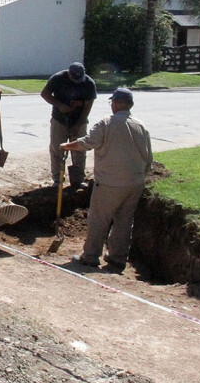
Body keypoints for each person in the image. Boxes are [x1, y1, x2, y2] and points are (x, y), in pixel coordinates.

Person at [61, 87, 153, 273]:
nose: (111, 105)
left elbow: (88, 142)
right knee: (124, 221)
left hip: (110, 182)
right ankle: (118, 258)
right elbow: (149, 157)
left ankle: (90, 256)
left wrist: (66, 145)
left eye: (113, 102)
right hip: (135, 182)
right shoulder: (140, 125)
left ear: (118, 103)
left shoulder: (107, 123)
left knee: (99, 219)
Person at [41, 61, 97, 189]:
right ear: (69, 74)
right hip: (59, 120)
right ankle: (57, 180)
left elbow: (88, 106)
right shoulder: (58, 79)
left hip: (79, 120)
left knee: (80, 149)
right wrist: (60, 105)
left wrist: (79, 124)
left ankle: (78, 179)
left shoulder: (89, 83)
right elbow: (44, 94)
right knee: (57, 149)